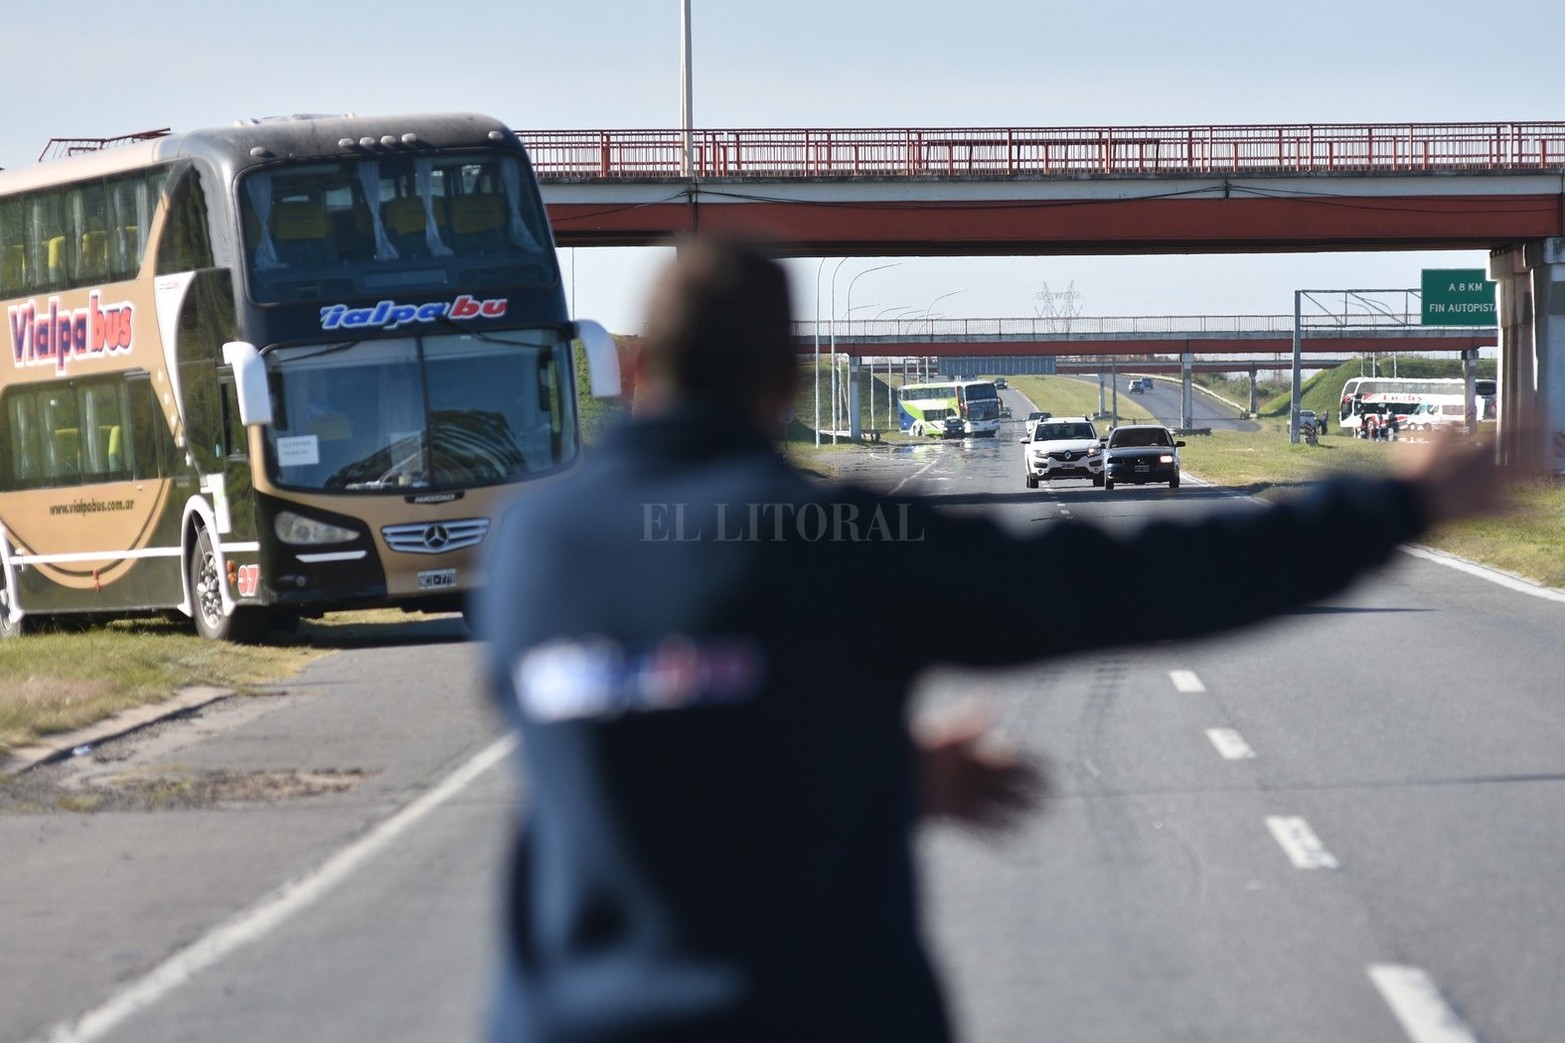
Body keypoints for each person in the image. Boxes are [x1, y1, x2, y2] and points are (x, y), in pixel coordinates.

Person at [477, 235, 1506, 1043]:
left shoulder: (529, 548)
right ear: (787, 381)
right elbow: (1122, 584)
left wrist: (859, 756)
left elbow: (645, 734)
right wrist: (1392, 505)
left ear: (639, 369)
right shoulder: (835, 538)